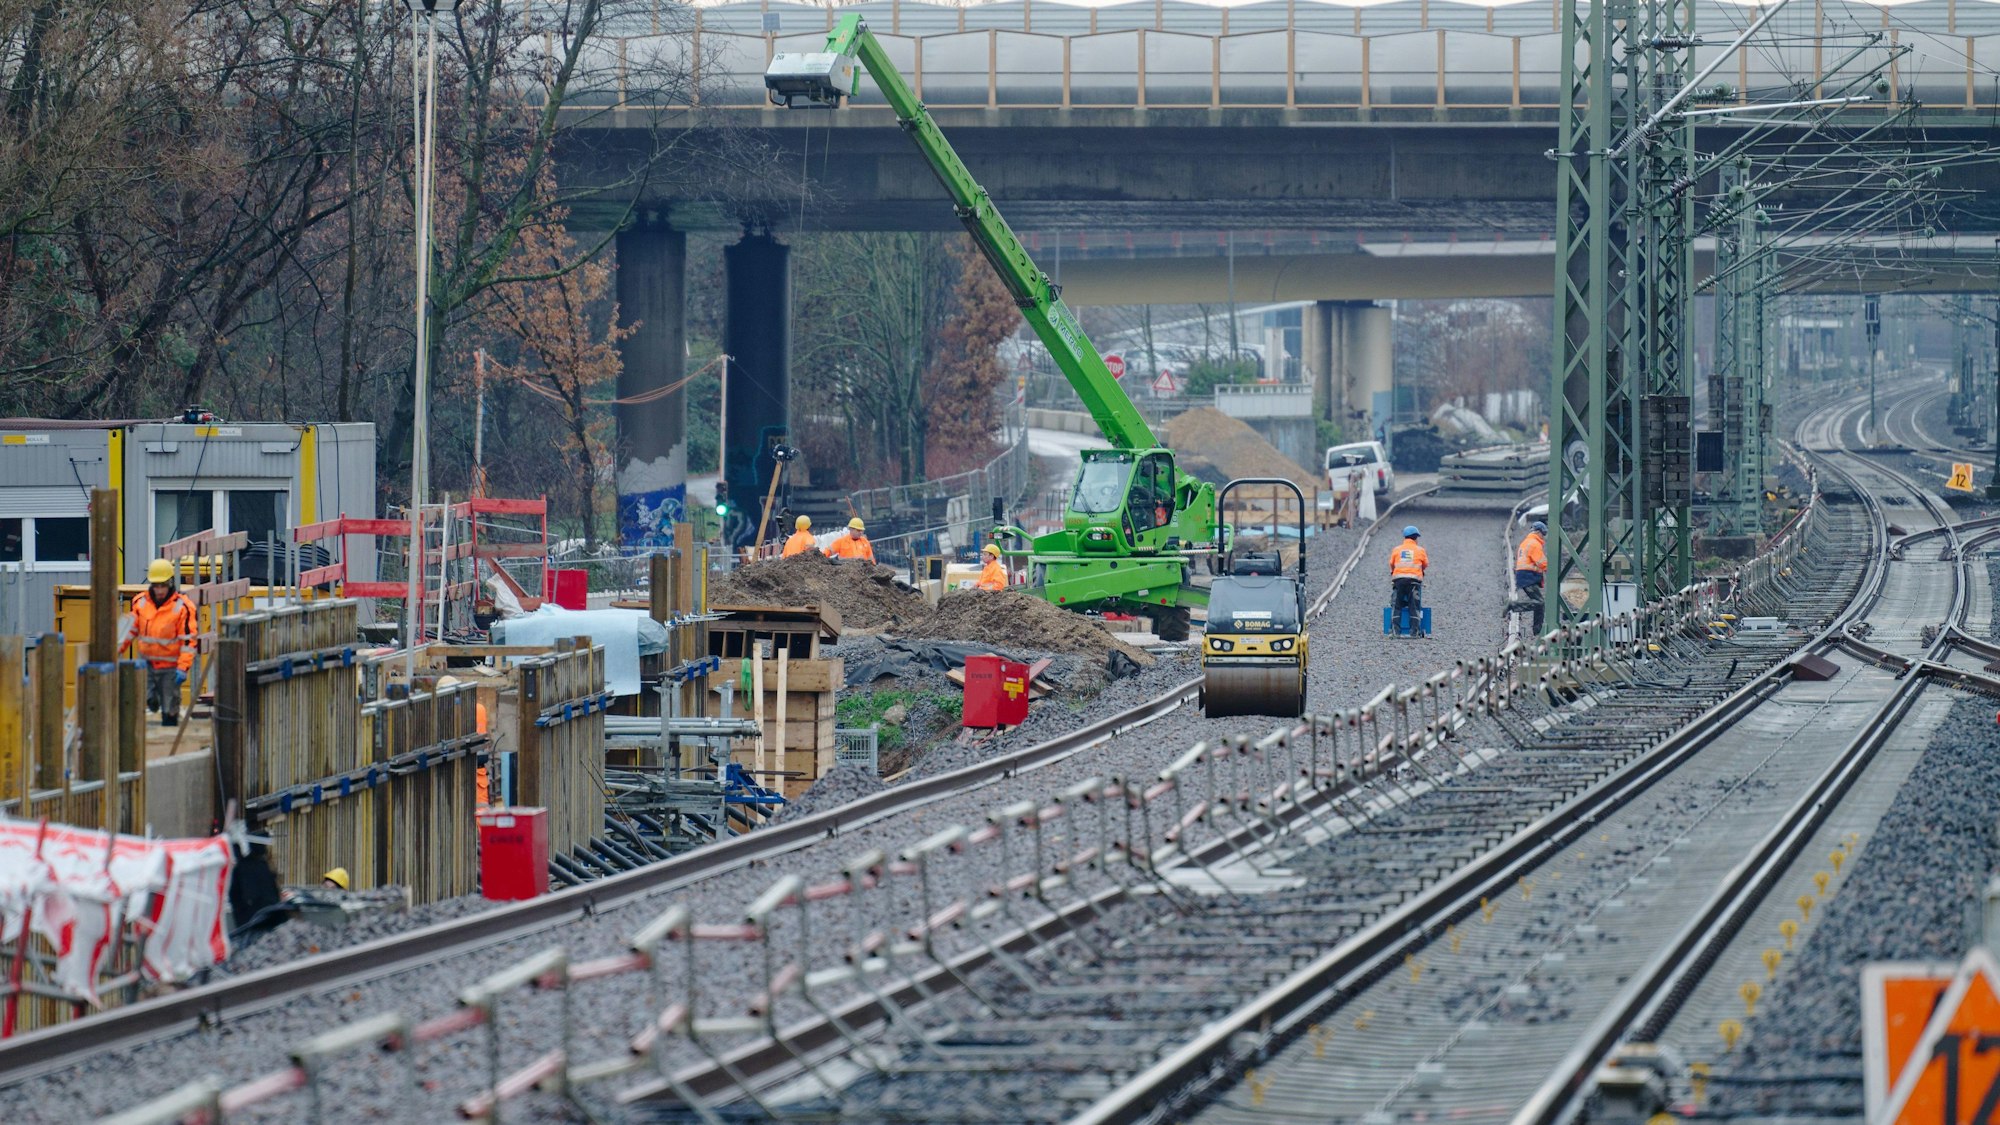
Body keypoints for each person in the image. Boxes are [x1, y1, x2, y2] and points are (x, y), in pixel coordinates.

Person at [129, 558, 198, 727]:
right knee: (146, 700)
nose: (160, 590)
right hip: (146, 665)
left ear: (171, 584)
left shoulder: (183, 607)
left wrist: (183, 668)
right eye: (156, 585)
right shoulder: (140, 603)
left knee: (170, 706)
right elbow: (129, 631)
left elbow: (188, 641)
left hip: (170, 668)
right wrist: (113, 652)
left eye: (163, 585)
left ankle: (170, 737)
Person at [1387, 524, 1428, 637]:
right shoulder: (1420, 550)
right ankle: (1414, 632)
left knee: (1397, 605)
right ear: (1416, 538)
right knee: (1414, 606)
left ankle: (1395, 632)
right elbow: (1425, 564)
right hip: (1414, 582)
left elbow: (1391, 564)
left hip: (1399, 581)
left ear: (1405, 537)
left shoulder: (1397, 550)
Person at [1513, 520, 1548, 635]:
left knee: (1539, 603)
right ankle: (1514, 606)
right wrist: (1551, 571)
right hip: (1528, 577)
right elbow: (1541, 562)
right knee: (1539, 603)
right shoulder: (1534, 543)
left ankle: (1537, 630)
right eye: (1543, 534)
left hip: (1525, 576)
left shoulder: (1527, 542)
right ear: (1538, 532)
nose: (1543, 537)